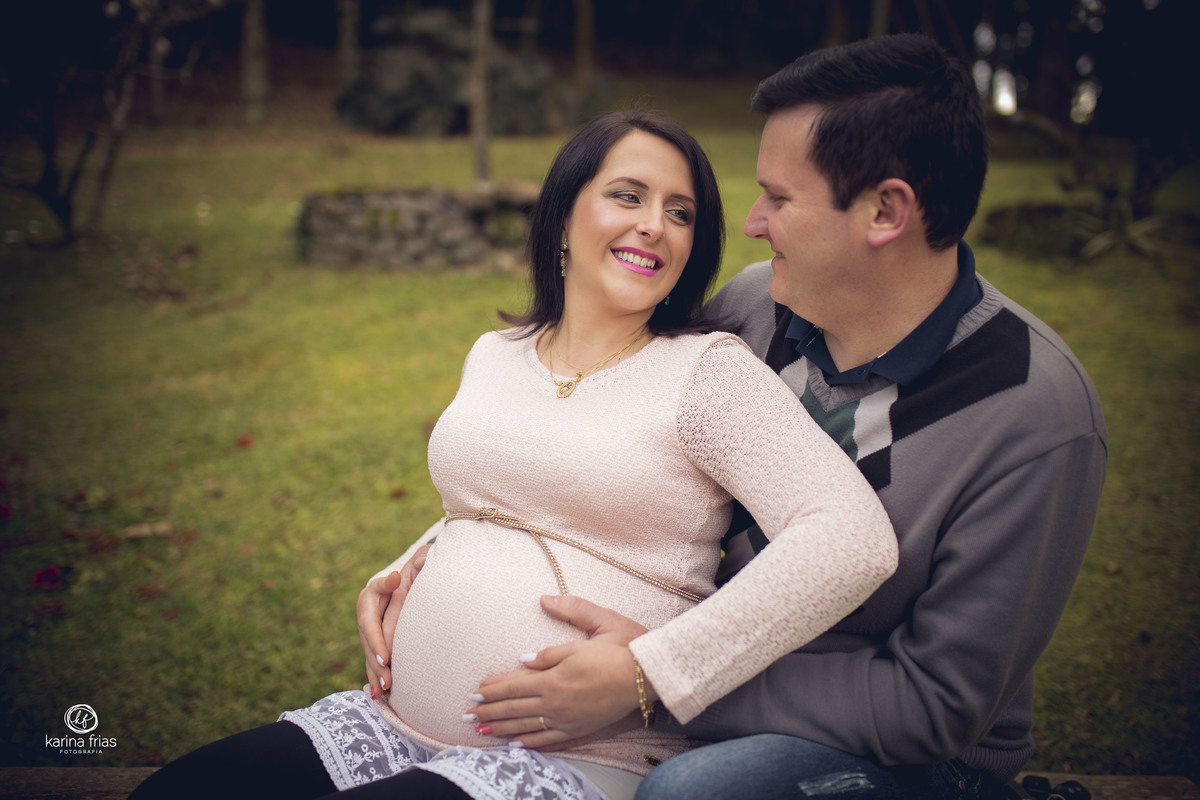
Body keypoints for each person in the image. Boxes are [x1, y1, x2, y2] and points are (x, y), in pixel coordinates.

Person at [361, 35, 1109, 799]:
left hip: (903, 758)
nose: (752, 222)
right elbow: (600, 443)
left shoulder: (1035, 415)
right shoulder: (759, 305)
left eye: (780, 199)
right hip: (694, 673)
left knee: (694, 793)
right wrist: (437, 554)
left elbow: (936, 707)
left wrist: (660, 678)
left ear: (886, 211)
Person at [128, 111, 897, 800]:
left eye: (680, 211)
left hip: (574, 759)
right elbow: (491, 498)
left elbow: (850, 538)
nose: (655, 225)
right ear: (562, 217)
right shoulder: (496, 353)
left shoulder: (708, 371)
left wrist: (652, 671)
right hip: (387, 727)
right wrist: (405, 567)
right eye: (627, 196)